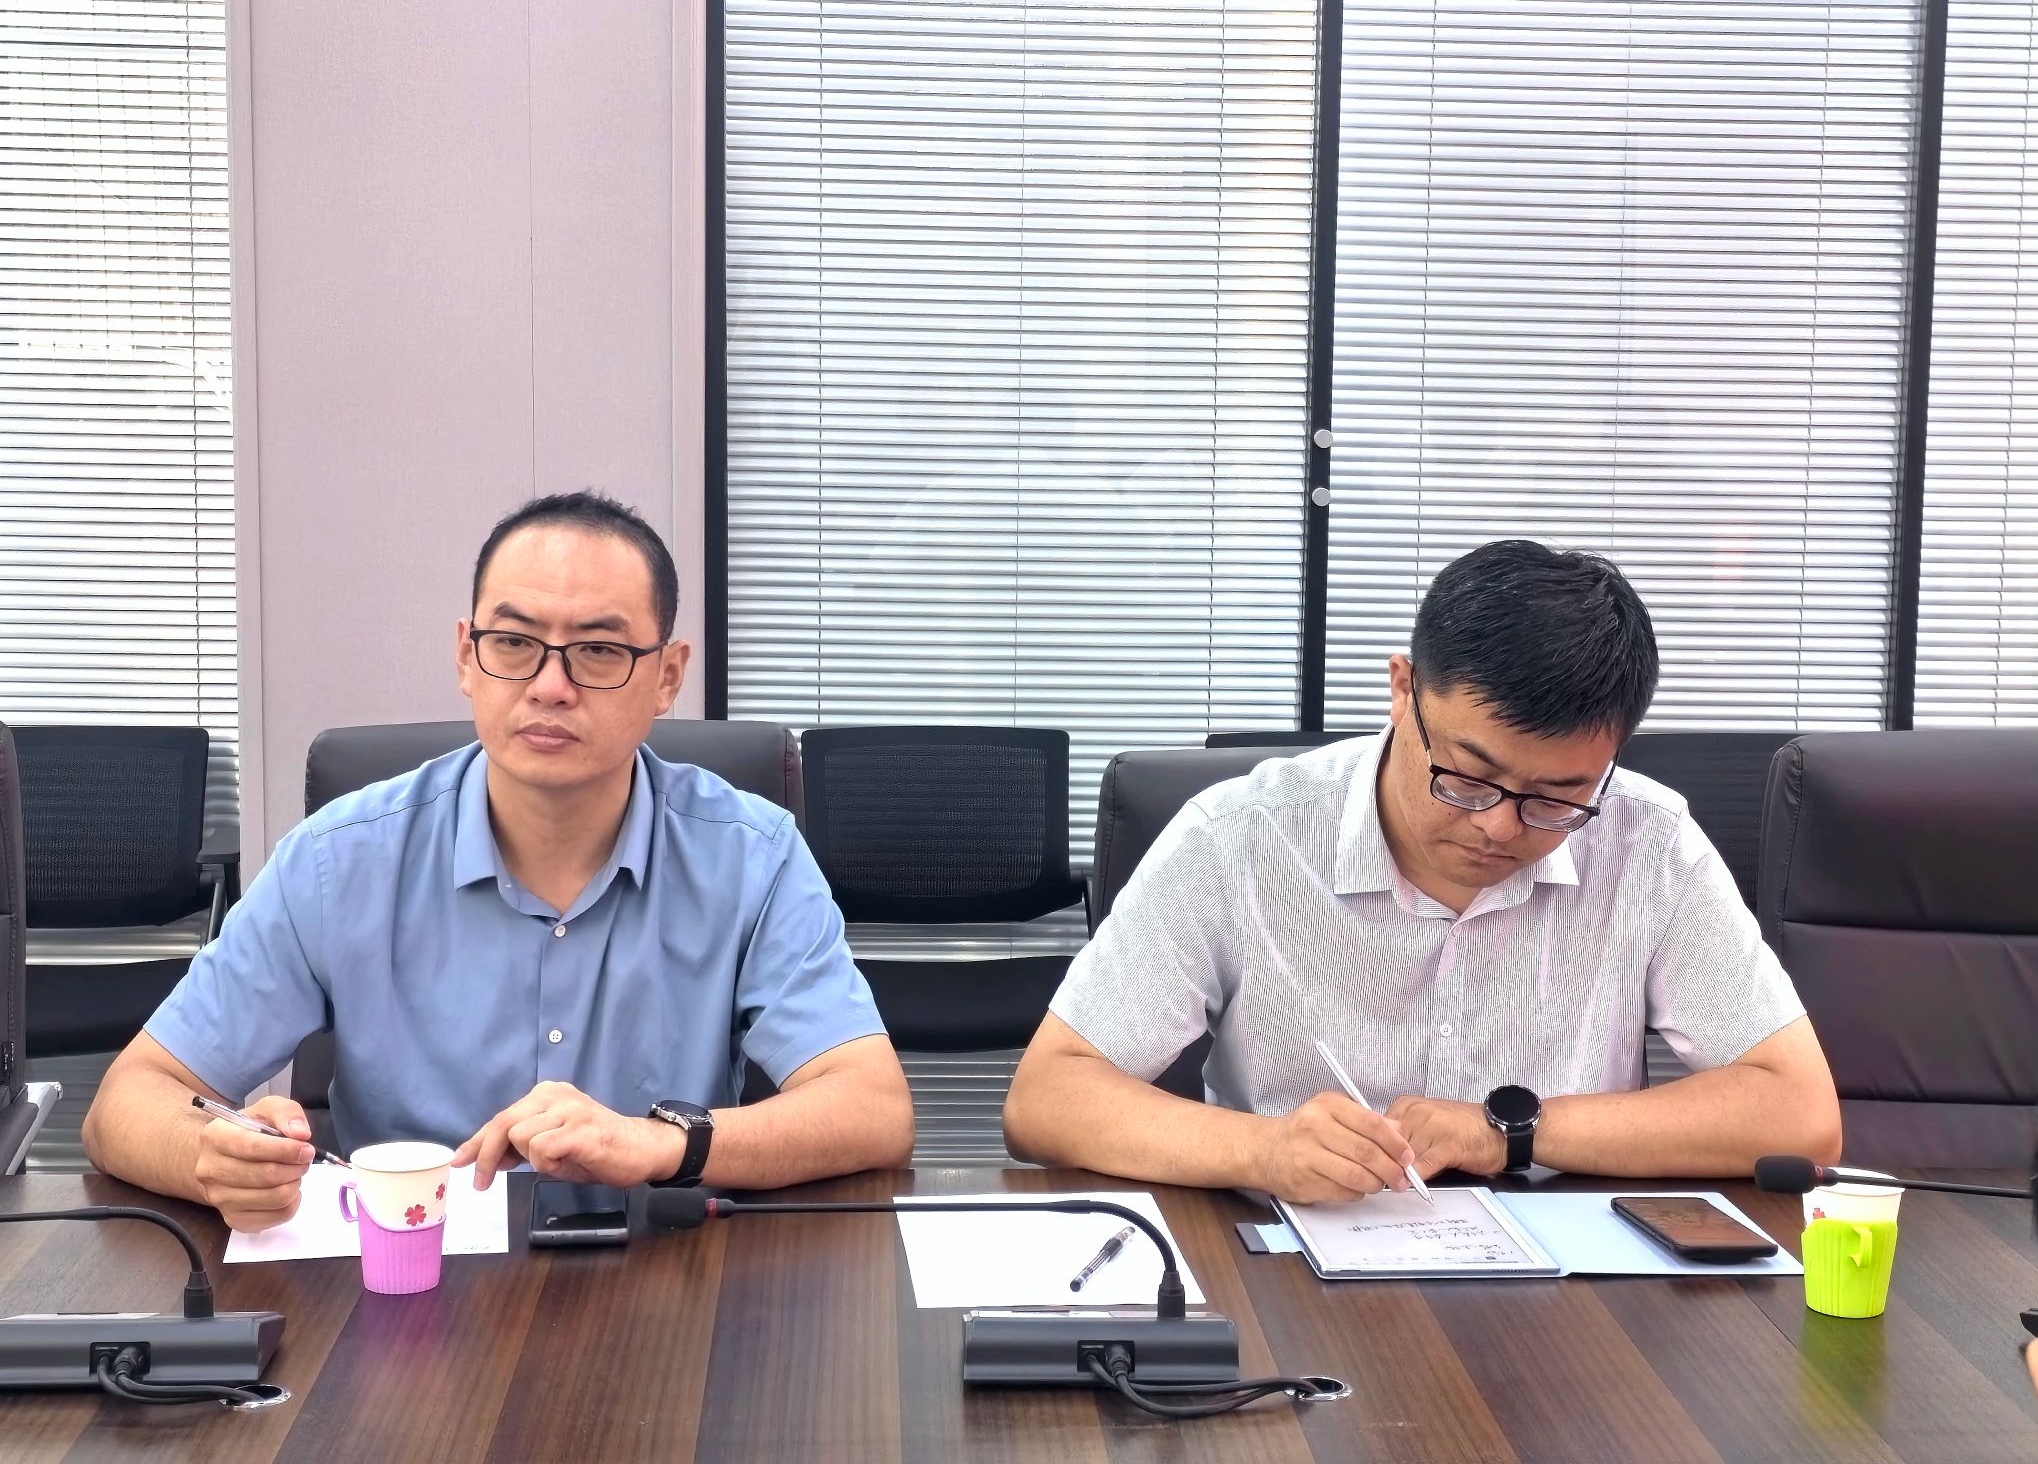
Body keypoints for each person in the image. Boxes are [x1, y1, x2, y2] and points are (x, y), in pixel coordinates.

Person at [83, 491, 913, 1230]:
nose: (550, 686)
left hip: (668, 1280)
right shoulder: (339, 862)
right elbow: (128, 1101)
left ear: (667, 676)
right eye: (513, 642)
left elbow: (872, 1108)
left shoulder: (752, 856)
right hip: (410, 1288)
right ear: (465, 655)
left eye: (598, 651)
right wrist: (210, 1156)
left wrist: (658, 1143)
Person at [1005, 539, 1841, 1203]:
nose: (1498, 827)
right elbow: (1048, 1099)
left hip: (1571, 1281)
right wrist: (1264, 1150)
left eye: (1557, 798)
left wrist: (1511, 1131)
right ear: (1403, 690)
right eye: (1469, 777)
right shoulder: (1241, 837)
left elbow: (1799, 1113)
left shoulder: (1649, 843)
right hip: (1294, 1261)